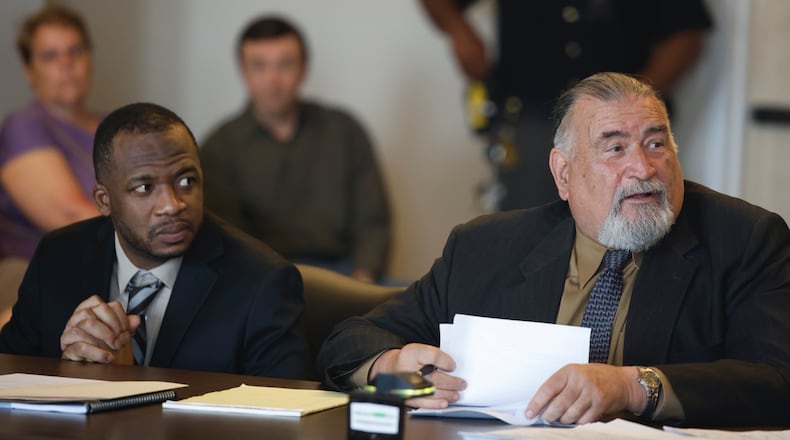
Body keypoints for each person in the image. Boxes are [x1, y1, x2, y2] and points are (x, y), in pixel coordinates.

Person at [317, 73, 790, 427]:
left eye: (656, 143)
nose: (643, 167)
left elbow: (777, 381)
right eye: (615, 148)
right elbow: (350, 341)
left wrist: (633, 385)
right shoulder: (485, 247)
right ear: (563, 174)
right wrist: (392, 369)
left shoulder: (744, 239)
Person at [0, 102, 310, 379]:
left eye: (186, 181)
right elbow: (9, 372)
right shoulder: (59, 257)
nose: (172, 205)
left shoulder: (261, 281)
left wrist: (125, 382)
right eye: (145, 188)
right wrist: (68, 371)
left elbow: (282, 415)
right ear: (104, 200)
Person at [419, 0, 713, 211]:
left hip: (616, 128)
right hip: (530, 121)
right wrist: (461, 33)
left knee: (623, 229)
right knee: (524, 237)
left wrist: (634, 102)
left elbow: (686, 32)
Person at [200, 16, 391, 283]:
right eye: (259, 66)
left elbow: (373, 222)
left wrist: (362, 281)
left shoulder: (345, 131)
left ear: (304, 69)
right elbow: (224, 239)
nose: (273, 79)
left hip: (343, 275)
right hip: (261, 280)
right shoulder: (219, 147)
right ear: (243, 71)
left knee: (416, 303)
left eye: (285, 64)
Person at [0, 5, 101, 326]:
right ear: (30, 71)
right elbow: (71, 218)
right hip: (31, 274)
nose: (66, 64)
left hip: (104, 268)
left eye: (75, 51)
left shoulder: (111, 126)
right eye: (50, 56)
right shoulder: (24, 127)